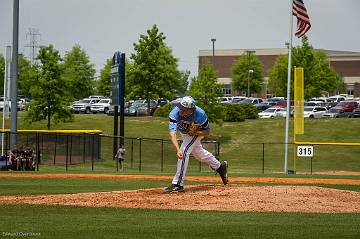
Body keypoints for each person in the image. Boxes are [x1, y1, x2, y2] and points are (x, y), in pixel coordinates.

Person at [164, 96, 228, 193]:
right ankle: (219, 166)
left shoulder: (200, 114)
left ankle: (178, 183)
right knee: (199, 155)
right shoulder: (174, 112)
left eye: (184, 109)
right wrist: (177, 149)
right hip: (184, 133)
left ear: (191, 110)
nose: (181, 111)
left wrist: (196, 133)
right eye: (180, 107)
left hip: (196, 134)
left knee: (184, 151)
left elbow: (207, 132)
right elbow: (172, 133)